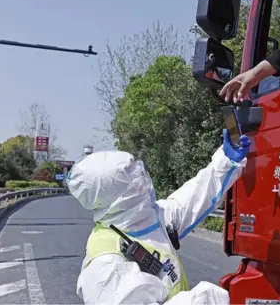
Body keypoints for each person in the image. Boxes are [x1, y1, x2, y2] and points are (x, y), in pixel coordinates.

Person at [67, 129, 251, 304]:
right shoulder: (105, 266)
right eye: (131, 176)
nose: (142, 178)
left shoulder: (146, 219)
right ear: (112, 196)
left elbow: (192, 198)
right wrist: (208, 299)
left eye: (136, 168)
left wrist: (225, 161)